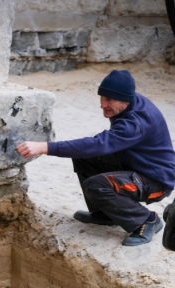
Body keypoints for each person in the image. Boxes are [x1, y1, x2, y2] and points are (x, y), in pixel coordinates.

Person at [16, 69, 175, 246]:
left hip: (156, 181)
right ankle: (105, 214)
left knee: (96, 185)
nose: (102, 104)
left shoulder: (135, 123)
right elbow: (95, 148)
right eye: (102, 98)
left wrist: (45, 147)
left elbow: (98, 144)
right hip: (137, 166)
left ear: (126, 99)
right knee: (84, 157)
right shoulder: (129, 102)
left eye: (109, 100)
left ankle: (147, 220)